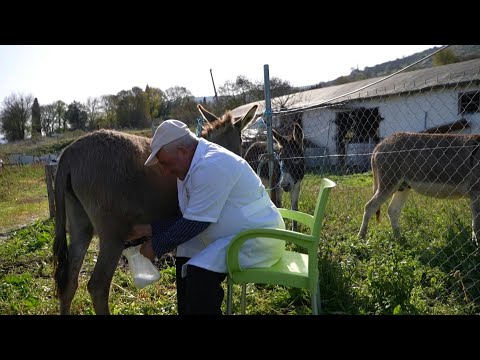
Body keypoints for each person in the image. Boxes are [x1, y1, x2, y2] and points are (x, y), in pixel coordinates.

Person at [127, 119, 285, 315]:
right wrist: (148, 229)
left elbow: (196, 223)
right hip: (234, 231)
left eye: (166, 164)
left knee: (199, 273)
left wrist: (155, 246)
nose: (166, 171)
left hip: (257, 238)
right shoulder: (190, 165)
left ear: (182, 152)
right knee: (185, 253)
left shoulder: (212, 165)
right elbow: (190, 216)